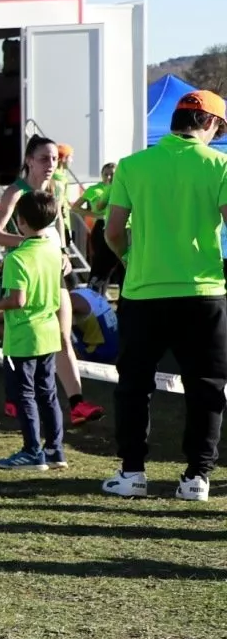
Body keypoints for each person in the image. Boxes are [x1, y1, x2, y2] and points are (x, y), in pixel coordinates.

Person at [100, 89, 227, 502]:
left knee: (134, 385)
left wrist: (132, 258)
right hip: (204, 291)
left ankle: (132, 472)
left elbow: (113, 232)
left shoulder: (133, 166)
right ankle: (196, 478)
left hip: (143, 291)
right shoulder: (220, 164)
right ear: (209, 123)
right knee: (205, 387)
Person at [0, 136, 102, 426]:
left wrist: (62, 251)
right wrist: (30, 241)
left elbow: (58, 223)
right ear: (29, 160)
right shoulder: (15, 192)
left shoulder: (54, 189)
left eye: (54, 159)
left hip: (51, 271)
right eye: (44, 159)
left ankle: (77, 404)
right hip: (25, 271)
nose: (51, 164)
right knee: (22, 337)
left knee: (63, 336)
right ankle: (14, 397)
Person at [0, 191, 67, 471]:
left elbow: (17, 300)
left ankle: (31, 451)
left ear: (19, 220)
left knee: (24, 394)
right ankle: (55, 450)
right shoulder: (52, 248)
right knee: (47, 393)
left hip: (23, 337)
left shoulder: (18, 257)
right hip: (49, 331)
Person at [75, 162, 121, 285]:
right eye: (106, 174)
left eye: (112, 174)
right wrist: (95, 215)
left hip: (120, 226)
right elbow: (75, 207)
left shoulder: (122, 188)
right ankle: (95, 294)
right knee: (101, 264)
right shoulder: (94, 189)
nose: (109, 177)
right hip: (101, 227)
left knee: (121, 265)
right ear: (101, 175)